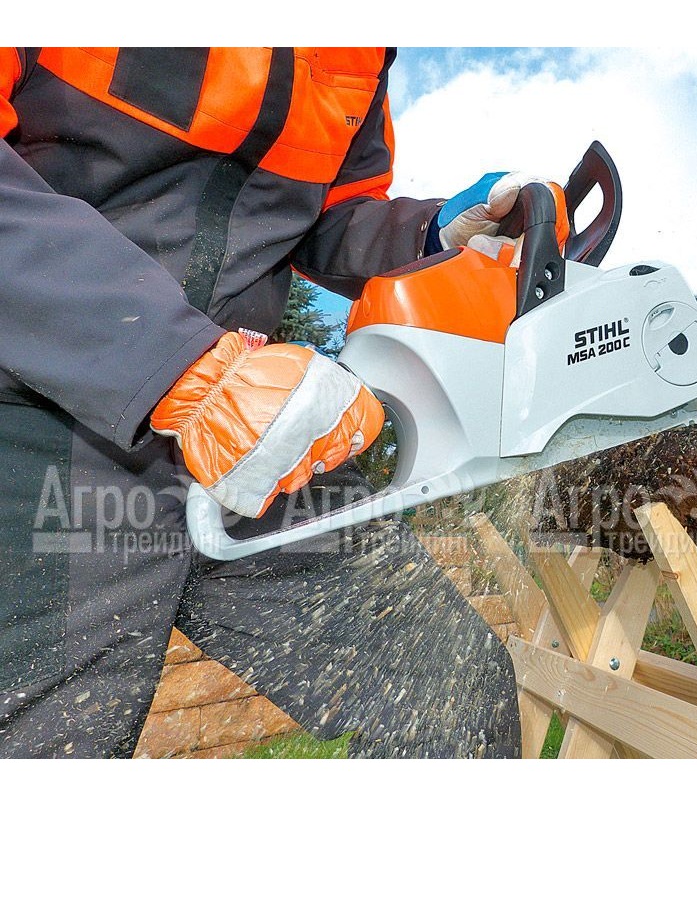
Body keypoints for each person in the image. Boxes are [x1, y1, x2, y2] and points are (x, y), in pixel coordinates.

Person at [0, 47, 562, 758]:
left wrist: (430, 236)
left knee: (452, 692)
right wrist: (178, 367)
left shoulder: (361, 48)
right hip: (44, 415)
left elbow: (322, 217)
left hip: (263, 439)